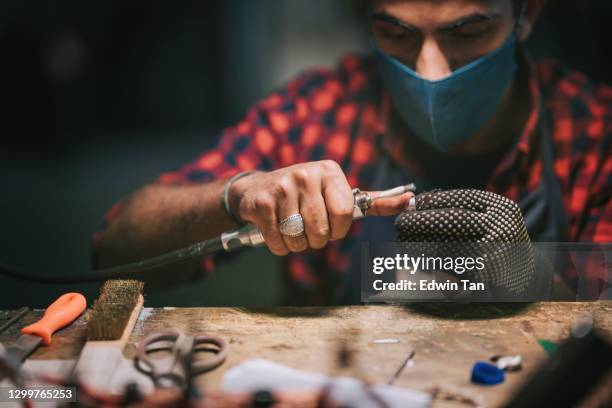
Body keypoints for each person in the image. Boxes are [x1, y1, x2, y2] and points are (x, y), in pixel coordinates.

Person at [93, 0, 611, 305]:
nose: (431, 73)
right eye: (397, 34)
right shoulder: (314, 112)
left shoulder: (596, 132)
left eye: (469, 32)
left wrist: (535, 281)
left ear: (528, 13)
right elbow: (113, 252)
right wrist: (236, 196)